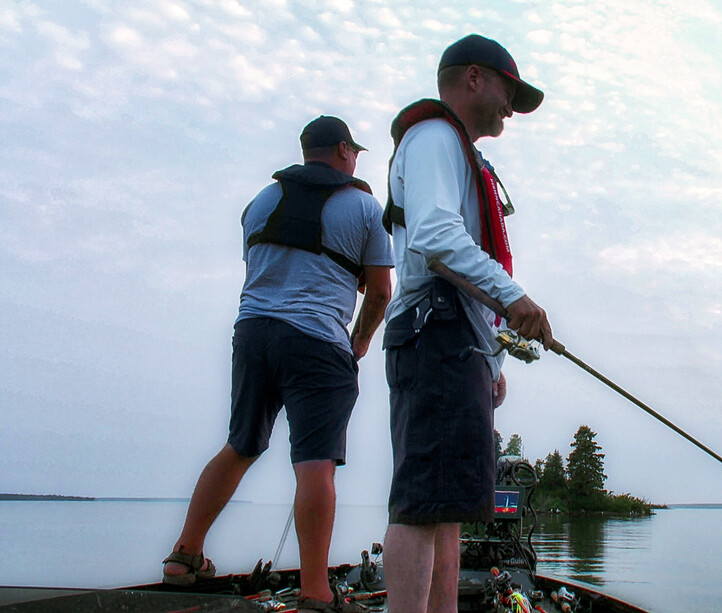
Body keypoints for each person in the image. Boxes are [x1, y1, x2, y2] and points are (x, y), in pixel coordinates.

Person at [162, 116, 393, 613]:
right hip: (317, 342)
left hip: (252, 334)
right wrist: (359, 341)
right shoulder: (364, 207)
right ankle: (315, 592)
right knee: (315, 462)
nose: (356, 160)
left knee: (240, 444)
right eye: (355, 152)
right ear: (343, 150)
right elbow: (379, 292)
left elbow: (268, 267)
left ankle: (185, 555)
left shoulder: (260, 202)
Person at [380, 34, 553, 613]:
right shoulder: (432, 138)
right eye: (510, 90)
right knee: (422, 503)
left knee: (449, 509)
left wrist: (492, 355)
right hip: (433, 336)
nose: (512, 106)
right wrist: (516, 300)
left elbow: (460, 258)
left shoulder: (461, 152)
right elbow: (434, 238)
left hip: (460, 345)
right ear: (474, 77)